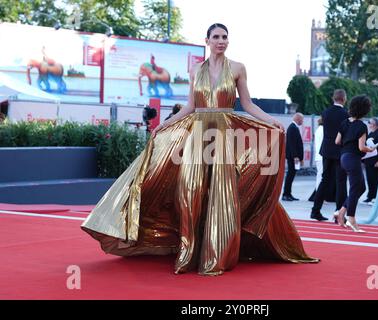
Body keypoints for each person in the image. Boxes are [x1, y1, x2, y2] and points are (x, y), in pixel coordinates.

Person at [81, 23, 319, 276]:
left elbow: (248, 104)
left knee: (222, 193)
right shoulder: (195, 70)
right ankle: (188, 251)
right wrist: (165, 124)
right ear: (207, 40)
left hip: (225, 134)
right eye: (216, 37)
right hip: (198, 134)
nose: (221, 41)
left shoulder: (238, 68)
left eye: (225, 37)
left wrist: (271, 121)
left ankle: (217, 254)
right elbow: (190, 107)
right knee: (190, 190)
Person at [334, 95, 375, 233]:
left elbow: (337, 141)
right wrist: (371, 149)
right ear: (364, 110)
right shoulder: (362, 126)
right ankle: (351, 218)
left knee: (361, 188)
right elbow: (361, 147)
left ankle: (341, 211)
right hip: (353, 159)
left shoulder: (344, 122)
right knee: (354, 188)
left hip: (343, 158)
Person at [310, 89, 349, 221]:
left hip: (326, 150)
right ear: (344, 99)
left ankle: (315, 210)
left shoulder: (326, 113)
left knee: (324, 180)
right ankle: (339, 214)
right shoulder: (345, 114)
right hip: (339, 150)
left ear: (333, 98)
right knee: (341, 182)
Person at [361, 117, 378, 205]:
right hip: (369, 161)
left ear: (375, 124)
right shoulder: (370, 134)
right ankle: (370, 196)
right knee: (369, 179)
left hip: (375, 161)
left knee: (375, 180)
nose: (368, 124)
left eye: (370, 122)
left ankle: (375, 197)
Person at [282, 113, 304, 201]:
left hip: (294, 157)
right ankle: (285, 194)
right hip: (292, 157)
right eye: (302, 120)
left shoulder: (294, 128)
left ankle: (289, 194)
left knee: (291, 175)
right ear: (298, 119)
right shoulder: (292, 128)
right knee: (290, 175)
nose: (302, 121)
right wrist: (295, 156)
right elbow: (292, 144)